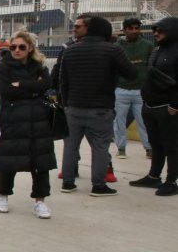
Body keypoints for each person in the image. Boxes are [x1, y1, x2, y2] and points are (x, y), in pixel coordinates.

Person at [56, 14, 137, 196]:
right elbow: (131, 74)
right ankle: (98, 185)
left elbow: (63, 81)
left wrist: (67, 104)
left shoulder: (70, 50)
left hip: (74, 107)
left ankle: (68, 182)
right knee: (100, 147)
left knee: (71, 146)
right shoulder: (112, 50)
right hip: (101, 108)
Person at [0, 30, 57, 219]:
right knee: (8, 158)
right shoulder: (4, 67)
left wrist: (20, 84)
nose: (17, 50)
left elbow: (46, 84)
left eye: (21, 47)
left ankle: (40, 201)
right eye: (13, 47)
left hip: (38, 119)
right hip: (12, 119)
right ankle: (3, 195)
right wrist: (32, 87)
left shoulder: (39, 65)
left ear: (30, 48)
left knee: (41, 161)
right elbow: (5, 91)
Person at [130, 16, 178, 196]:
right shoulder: (157, 50)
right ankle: (153, 176)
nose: (156, 33)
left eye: (161, 30)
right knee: (156, 144)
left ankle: (172, 180)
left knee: (172, 146)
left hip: (168, 107)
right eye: (155, 30)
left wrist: (175, 104)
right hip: (150, 105)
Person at [113, 17, 154, 159]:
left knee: (144, 121)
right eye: (130, 28)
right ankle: (121, 148)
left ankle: (149, 148)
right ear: (124, 30)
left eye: (137, 28)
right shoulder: (117, 46)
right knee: (119, 121)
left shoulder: (148, 46)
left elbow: (151, 67)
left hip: (141, 90)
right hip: (121, 89)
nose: (134, 31)